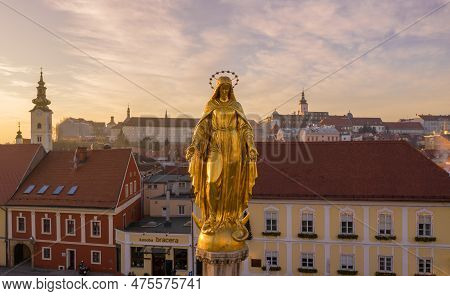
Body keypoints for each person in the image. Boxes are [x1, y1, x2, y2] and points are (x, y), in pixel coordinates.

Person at [186, 76, 257, 243]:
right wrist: (194, 145)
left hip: (234, 145)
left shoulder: (236, 106)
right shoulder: (211, 105)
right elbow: (202, 128)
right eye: (222, 88)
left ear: (231, 89)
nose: (224, 90)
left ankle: (231, 217)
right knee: (211, 181)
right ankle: (212, 217)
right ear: (217, 90)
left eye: (227, 88)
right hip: (216, 145)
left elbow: (245, 128)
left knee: (232, 182)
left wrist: (251, 145)